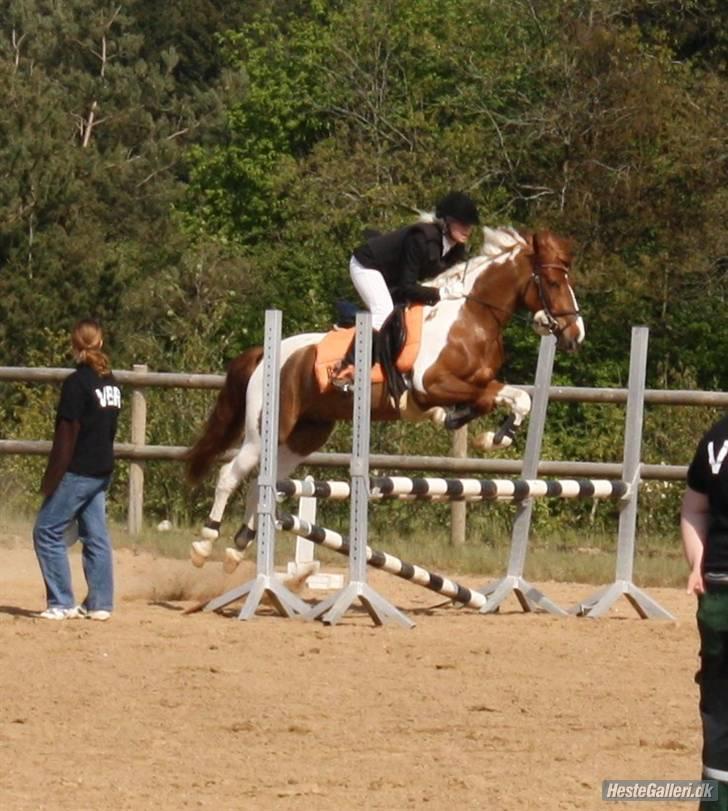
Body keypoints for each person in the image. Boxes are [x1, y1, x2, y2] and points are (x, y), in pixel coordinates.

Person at [332, 191, 480, 391]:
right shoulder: (421, 239)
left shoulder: (456, 249)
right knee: (383, 311)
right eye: (462, 224)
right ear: (446, 222)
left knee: (404, 314)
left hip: (392, 276)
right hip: (367, 266)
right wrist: (442, 293)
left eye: (469, 225)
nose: (468, 230)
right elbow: (407, 287)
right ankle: (347, 367)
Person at [33, 319, 121, 621]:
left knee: (46, 531)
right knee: (95, 534)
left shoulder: (76, 384)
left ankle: (61, 602)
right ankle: (100, 603)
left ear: (75, 345)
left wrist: (52, 478)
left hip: (78, 470)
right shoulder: (110, 382)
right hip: (102, 469)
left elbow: (66, 435)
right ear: (100, 342)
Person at [681, 413, 728, 809]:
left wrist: (698, 564)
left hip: (718, 592)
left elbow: (695, 509)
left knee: (720, 711)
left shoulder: (717, 439)